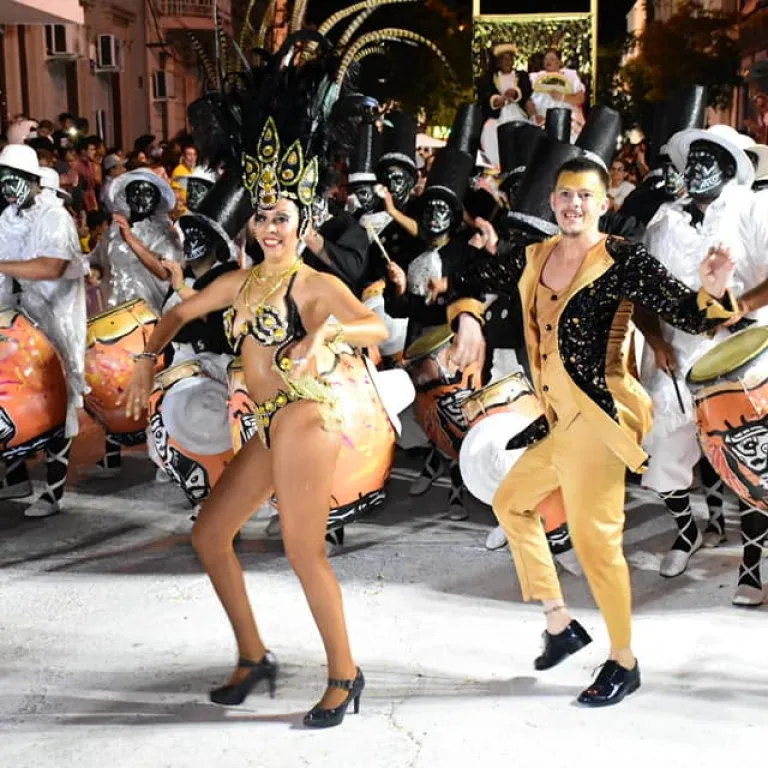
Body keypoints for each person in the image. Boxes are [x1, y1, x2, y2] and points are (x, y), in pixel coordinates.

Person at [430, 155, 737, 707]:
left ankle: (625, 661)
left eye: (585, 195)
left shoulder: (622, 258)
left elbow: (690, 314)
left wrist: (713, 290)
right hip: (556, 421)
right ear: (553, 202)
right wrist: (469, 317)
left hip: (599, 420)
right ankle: (559, 623)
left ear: (603, 204)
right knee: (511, 503)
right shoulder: (534, 255)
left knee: (598, 548)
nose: (574, 204)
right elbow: (471, 277)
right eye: (566, 194)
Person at [476, 43, 535, 167]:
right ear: (498, 61)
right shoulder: (489, 77)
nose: (508, 62)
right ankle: (496, 165)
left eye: (510, 58)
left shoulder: (521, 76)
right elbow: (485, 95)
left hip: (518, 113)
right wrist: (497, 100)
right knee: (489, 131)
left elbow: (526, 92)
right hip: (498, 115)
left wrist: (515, 93)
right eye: (504, 59)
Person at [529, 48, 586, 141]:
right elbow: (529, 101)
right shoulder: (535, 77)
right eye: (546, 59)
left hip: (565, 118)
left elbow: (580, 98)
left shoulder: (570, 75)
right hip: (541, 119)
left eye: (552, 59)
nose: (548, 61)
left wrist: (562, 97)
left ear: (559, 62)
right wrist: (535, 115)